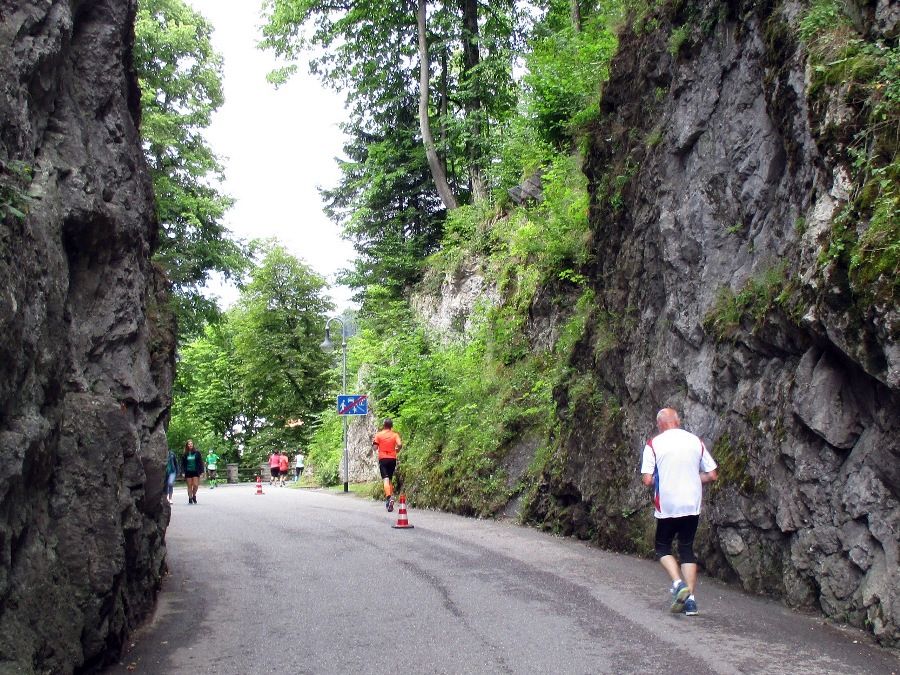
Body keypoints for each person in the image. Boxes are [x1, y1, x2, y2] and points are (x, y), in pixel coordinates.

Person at [640, 408, 718, 616]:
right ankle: (690, 601)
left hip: (668, 504)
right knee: (686, 549)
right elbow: (712, 474)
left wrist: (661, 479)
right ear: (678, 421)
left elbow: (647, 479)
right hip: (691, 503)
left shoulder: (654, 444)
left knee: (662, 548)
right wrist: (694, 478)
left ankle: (677, 584)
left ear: (659, 425)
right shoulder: (695, 441)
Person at [372, 418, 402, 512]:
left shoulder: (378, 435)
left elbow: (375, 447)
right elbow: (400, 444)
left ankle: (389, 497)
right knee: (389, 479)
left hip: (383, 459)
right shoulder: (395, 435)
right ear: (391, 426)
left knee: (385, 479)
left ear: (383, 425)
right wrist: (397, 450)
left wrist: (374, 445)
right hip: (392, 458)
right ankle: (389, 501)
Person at [182, 440, 204, 505]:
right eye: (189, 444)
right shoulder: (185, 454)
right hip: (188, 471)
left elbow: (200, 462)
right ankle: (190, 498)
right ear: (187, 446)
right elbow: (182, 464)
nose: (190, 445)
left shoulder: (197, 453)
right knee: (189, 485)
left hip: (196, 471)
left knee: (196, 485)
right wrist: (183, 472)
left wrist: (202, 471)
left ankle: (194, 495)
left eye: (191, 444)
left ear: (193, 445)